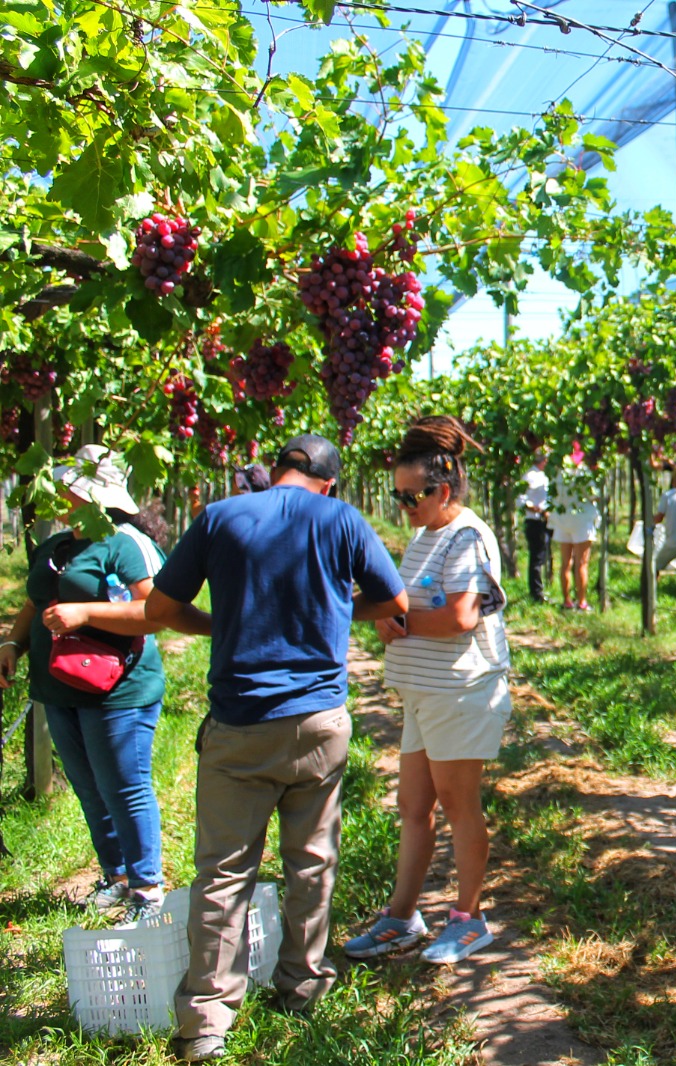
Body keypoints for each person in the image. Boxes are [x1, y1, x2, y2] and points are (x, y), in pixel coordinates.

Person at [146, 434, 407, 1063]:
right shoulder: (342, 520)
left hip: (241, 724)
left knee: (223, 871)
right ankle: (302, 983)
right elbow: (396, 602)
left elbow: (159, 607)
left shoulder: (220, 515)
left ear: (280, 470)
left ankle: (207, 1017)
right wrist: (336, 615)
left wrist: (219, 624)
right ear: (327, 482)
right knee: (312, 860)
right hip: (318, 721)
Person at [0, 446, 208, 923]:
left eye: (65, 484)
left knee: (124, 786)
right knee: (90, 787)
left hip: (119, 690)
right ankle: (116, 877)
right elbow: (35, 602)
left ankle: (147, 887)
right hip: (60, 689)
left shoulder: (123, 542)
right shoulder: (56, 547)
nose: (56, 491)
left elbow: (158, 612)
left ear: (85, 491)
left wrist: (86, 612)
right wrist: (11, 645)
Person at [345, 416, 511, 966]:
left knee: (461, 807)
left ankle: (470, 919)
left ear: (442, 490)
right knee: (414, 806)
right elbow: (405, 604)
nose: (404, 506)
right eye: (397, 496)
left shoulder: (466, 535)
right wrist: (386, 620)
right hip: (424, 693)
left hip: (460, 693)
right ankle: (402, 917)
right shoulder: (425, 534)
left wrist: (404, 622)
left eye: (411, 496)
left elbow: (461, 616)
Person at [549, 453, 599, 612]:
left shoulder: (558, 473)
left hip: (563, 520)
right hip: (582, 520)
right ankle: (582, 602)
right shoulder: (583, 473)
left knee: (565, 563)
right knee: (582, 564)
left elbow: (552, 495)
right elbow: (593, 494)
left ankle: (567, 601)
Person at [516, 452, 551, 603]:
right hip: (535, 521)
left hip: (545, 521)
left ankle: (540, 590)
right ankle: (536, 594)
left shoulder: (544, 476)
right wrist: (536, 509)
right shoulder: (529, 475)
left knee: (542, 556)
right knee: (536, 558)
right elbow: (521, 500)